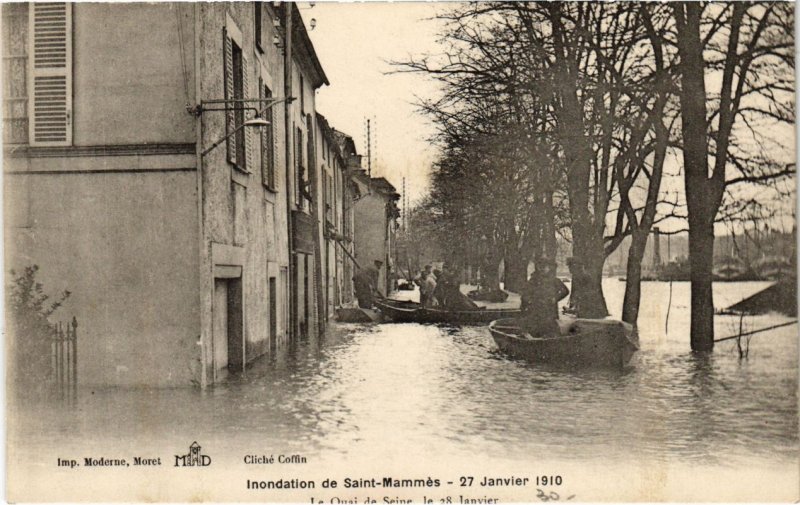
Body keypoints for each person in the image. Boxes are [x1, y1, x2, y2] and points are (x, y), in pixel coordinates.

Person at [519, 261, 569, 337]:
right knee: (536, 329)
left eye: (545, 267)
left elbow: (565, 291)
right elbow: (525, 294)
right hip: (536, 309)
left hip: (550, 309)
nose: (542, 269)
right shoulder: (533, 280)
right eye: (540, 267)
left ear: (549, 268)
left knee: (551, 330)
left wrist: (555, 298)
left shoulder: (554, 280)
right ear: (538, 268)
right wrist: (528, 302)